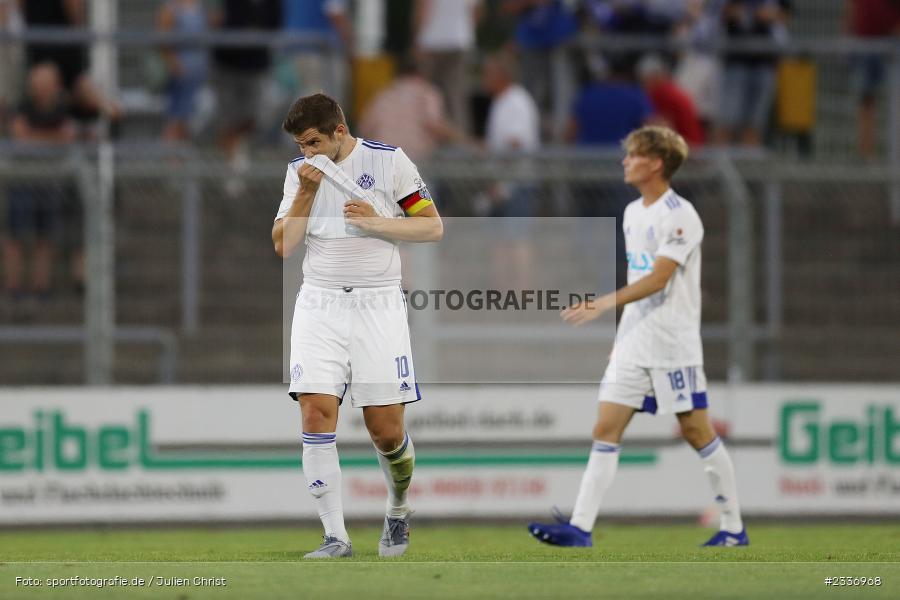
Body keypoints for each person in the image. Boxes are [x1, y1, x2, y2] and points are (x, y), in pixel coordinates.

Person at [528, 126, 748, 548]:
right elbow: (639, 279)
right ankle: (581, 528)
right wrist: (623, 332)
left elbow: (660, 279)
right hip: (635, 340)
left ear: (656, 163)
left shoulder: (681, 215)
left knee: (696, 431)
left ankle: (734, 528)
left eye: (633, 155)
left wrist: (603, 304)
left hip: (672, 342)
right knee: (605, 426)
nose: (625, 161)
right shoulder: (633, 212)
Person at [272, 93, 443, 559]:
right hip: (319, 304)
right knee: (315, 412)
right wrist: (306, 192)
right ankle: (335, 537)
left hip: (378, 304)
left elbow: (431, 228)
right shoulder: (298, 175)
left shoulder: (389, 162)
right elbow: (284, 245)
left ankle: (399, 507)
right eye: (300, 144)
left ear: (339, 132)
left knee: (386, 431)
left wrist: (378, 223)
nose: (306, 152)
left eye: (313, 142)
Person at [3, 63, 75, 308]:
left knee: (46, 236)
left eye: (45, 84)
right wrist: (49, 139)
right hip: (23, 178)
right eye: (36, 84)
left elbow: (67, 139)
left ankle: (41, 288)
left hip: (50, 179)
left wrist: (37, 137)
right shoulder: (23, 105)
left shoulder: (62, 108)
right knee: (15, 235)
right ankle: (13, 289)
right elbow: (20, 137)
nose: (39, 89)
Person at [714, 0, 791, 146]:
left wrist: (768, 19)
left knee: (755, 124)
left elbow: (782, 28)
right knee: (728, 121)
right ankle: (719, 161)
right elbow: (725, 25)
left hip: (763, 67)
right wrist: (734, 17)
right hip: (736, 65)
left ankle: (748, 165)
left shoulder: (771, 6)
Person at [414, 0, 483, 135]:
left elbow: (423, 8)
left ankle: (431, 136)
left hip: (432, 42)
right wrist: (468, 30)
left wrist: (418, 39)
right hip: (459, 41)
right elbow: (477, 10)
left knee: (430, 93)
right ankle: (460, 137)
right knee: (457, 94)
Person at [844, 0, 900, 160]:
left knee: (896, 100)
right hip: (864, 44)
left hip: (891, 45)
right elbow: (851, 8)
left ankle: (896, 157)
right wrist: (848, 36)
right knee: (866, 101)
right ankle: (867, 156)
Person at [157, 0, 209, 142]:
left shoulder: (197, 5)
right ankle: (171, 156)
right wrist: (175, 64)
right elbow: (163, 39)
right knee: (176, 115)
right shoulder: (170, 7)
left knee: (188, 116)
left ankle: (180, 153)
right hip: (181, 70)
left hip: (196, 70)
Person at [637, 54, 705, 147]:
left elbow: (663, 126)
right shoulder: (670, 89)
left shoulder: (662, 93)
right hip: (691, 145)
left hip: (690, 148)